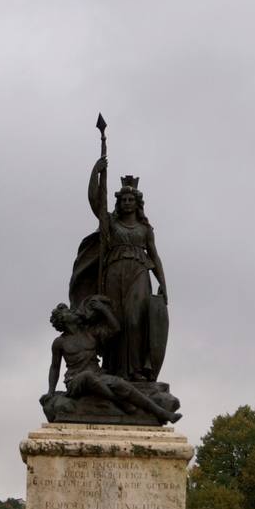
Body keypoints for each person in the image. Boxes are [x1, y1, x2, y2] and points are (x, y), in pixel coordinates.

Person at [69, 160, 168, 382]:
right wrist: (95, 172)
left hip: (139, 272)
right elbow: (95, 201)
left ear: (137, 203)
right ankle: (113, 368)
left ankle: (135, 370)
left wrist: (163, 282)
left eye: (131, 199)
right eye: (123, 199)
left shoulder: (145, 229)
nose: (126, 202)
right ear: (119, 203)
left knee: (135, 320)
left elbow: (154, 256)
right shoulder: (110, 224)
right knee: (115, 320)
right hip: (114, 273)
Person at [42, 296, 181, 425]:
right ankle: (120, 402)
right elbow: (55, 367)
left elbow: (115, 328)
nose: (72, 312)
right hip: (74, 381)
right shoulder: (59, 342)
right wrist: (51, 391)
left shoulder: (90, 333)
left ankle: (162, 413)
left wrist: (104, 309)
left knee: (121, 383)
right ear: (62, 320)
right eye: (67, 312)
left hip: (98, 376)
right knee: (87, 376)